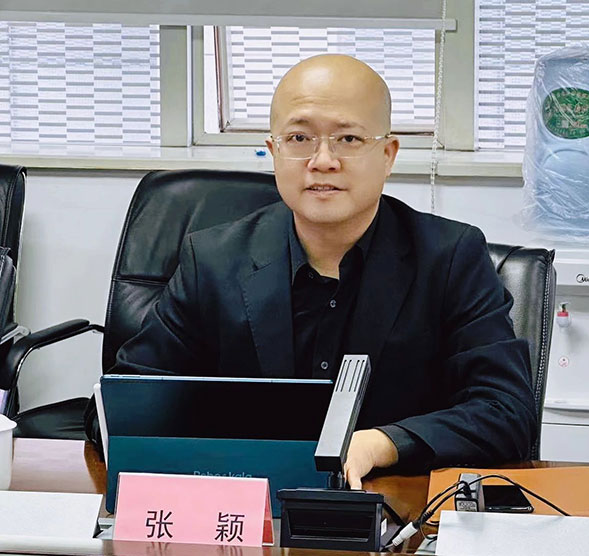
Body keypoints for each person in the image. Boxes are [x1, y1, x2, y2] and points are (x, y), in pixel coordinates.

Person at [85, 54, 536, 488]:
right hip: (249, 504)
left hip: (389, 506)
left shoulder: (450, 258)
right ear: (273, 151)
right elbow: (118, 406)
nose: (323, 160)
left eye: (349, 139)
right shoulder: (213, 260)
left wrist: (383, 444)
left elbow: (507, 412)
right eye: (299, 138)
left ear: (388, 155)